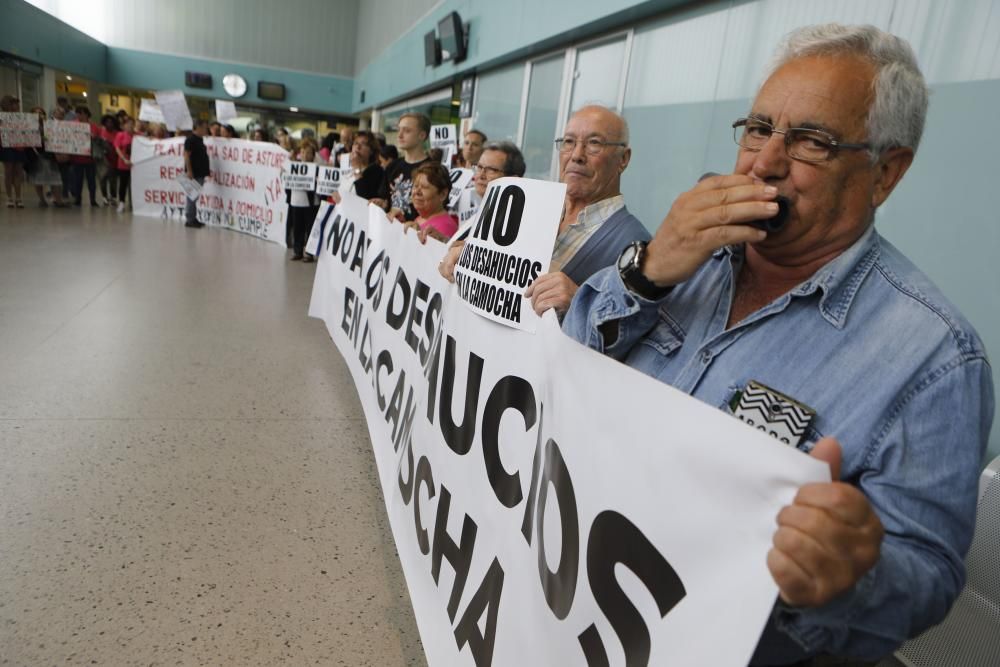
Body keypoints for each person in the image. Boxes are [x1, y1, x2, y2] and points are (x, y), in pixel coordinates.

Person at [561, 24, 994, 665]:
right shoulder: (688, 255)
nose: (764, 162)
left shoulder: (936, 359)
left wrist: (850, 578)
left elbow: (926, 577)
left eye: (811, 141)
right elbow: (564, 362)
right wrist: (646, 269)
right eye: (759, 128)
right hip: (560, 605)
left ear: (886, 173)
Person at [378, 112, 432, 221]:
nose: (399, 135)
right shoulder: (392, 166)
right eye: (399, 130)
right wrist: (380, 203)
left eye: (407, 131)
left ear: (422, 135)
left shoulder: (433, 169)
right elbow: (386, 200)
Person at [401, 162, 458, 244]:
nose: (417, 192)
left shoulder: (445, 227)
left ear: (442, 194)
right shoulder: (421, 218)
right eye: (415, 186)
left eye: (424, 187)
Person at [287, 138, 321, 261]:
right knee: (297, 228)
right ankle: (297, 251)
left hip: (311, 203)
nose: (305, 155)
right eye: (303, 152)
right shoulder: (293, 166)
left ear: (313, 155)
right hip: (296, 202)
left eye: (308, 152)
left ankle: (309, 253)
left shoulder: (316, 168)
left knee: (310, 228)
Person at [26, 106, 67, 207]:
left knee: (55, 178)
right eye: (37, 113)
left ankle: (58, 200)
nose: (39, 115)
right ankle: (42, 199)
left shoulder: (48, 125)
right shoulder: (28, 126)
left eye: (41, 113)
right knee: (38, 179)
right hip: (36, 154)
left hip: (50, 154)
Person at [69, 107, 100, 207]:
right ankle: (78, 199)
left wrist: (92, 136)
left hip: (90, 157)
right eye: (78, 114)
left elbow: (96, 138)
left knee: (91, 180)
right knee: (78, 180)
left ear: (86, 114)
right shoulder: (73, 124)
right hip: (77, 157)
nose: (79, 116)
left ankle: (93, 199)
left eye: (81, 114)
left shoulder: (93, 126)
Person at [1, 95, 28, 208]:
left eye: (17, 104)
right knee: (8, 172)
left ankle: (18, 197)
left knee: (18, 172)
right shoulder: (2, 117)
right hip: (6, 146)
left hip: (19, 146)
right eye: (13, 103)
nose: (16, 106)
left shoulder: (22, 117)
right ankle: (9, 197)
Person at [346, 130, 388, 201]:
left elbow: (364, 197)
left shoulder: (376, 170)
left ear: (371, 150)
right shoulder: (348, 167)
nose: (358, 147)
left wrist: (357, 168)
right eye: (356, 143)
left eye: (363, 144)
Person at [183, 119, 210, 228]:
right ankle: (190, 219)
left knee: (193, 196)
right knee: (192, 196)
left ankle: (192, 218)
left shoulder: (200, 139)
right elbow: (186, 156)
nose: (205, 130)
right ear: (198, 127)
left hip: (199, 173)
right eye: (204, 127)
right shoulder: (190, 140)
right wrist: (189, 171)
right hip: (194, 173)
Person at [113, 117, 135, 213]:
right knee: (123, 184)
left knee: (134, 185)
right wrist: (124, 159)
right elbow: (117, 148)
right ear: (124, 126)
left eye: (132, 124)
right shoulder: (120, 135)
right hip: (123, 164)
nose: (130, 126)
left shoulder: (137, 135)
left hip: (135, 165)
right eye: (128, 124)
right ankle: (121, 202)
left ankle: (133, 203)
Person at [97, 114, 119, 206]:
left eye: (111, 122)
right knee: (103, 178)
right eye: (107, 122)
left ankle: (113, 197)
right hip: (103, 159)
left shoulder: (117, 133)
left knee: (113, 179)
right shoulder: (101, 132)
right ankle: (104, 197)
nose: (109, 124)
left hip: (114, 159)